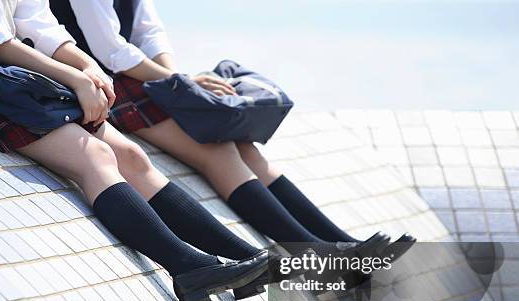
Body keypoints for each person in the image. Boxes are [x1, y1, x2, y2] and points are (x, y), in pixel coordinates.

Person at [0, 0, 277, 301]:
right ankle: (187, 268)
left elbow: (39, 24)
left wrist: (87, 68)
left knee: (131, 156)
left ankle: (243, 259)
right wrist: (78, 80)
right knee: (95, 156)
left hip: (8, 82)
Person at [49, 0, 416, 256]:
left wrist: (179, 84)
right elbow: (110, 49)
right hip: (104, 84)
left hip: (137, 77)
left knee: (244, 146)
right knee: (219, 150)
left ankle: (342, 244)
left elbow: (150, 32)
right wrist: (176, 84)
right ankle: (317, 256)